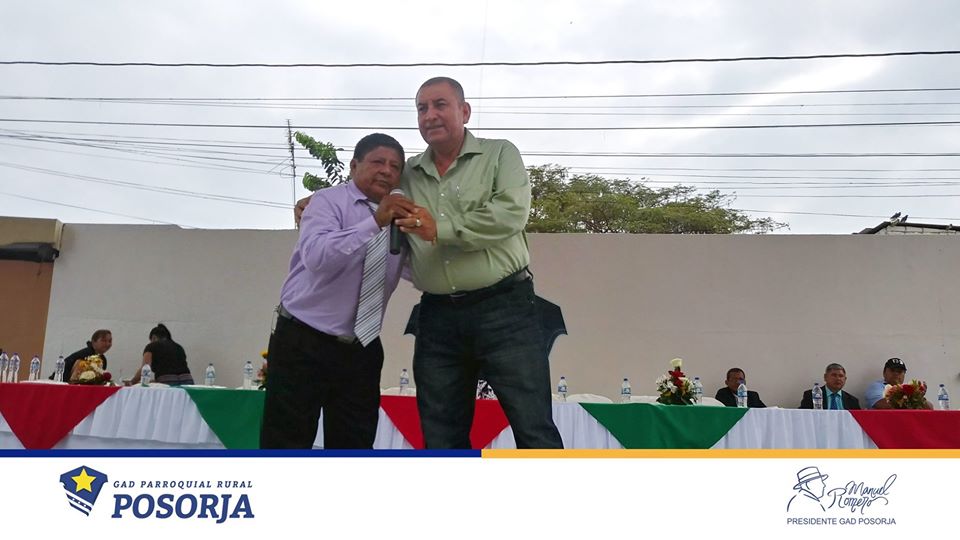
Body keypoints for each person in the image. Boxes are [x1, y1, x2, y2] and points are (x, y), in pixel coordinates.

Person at [294, 78, 563, 449]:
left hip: (505, 309)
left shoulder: (500, 154)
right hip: (438, 318)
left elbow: (511, 214)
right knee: (440, 434)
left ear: (464, 112)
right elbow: (369, 191)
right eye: (422, 108)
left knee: (533, 426)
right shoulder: (407, 174)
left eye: (440, 105)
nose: (430, 115)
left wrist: (442, 229)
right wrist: (319, 201)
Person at [262, 133, 417, 449]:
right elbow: (317, 258)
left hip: (362, 349)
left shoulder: (402, 218)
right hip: (303, 341)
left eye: (395, 166)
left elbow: (419, 273)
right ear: (354, 165)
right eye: (378, 162)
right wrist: (375, 222)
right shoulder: (326, 202)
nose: (387, 171)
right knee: (286, 443)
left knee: (354, 446)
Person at [129, 323, 193, 386]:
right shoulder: (178, 347)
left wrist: (132, 382)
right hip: (187, 380)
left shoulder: (151, 346)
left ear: (154, 337)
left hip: (167, 381)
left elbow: (145, 368)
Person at [864, 357, 933, 409]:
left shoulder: (907, 389)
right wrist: (912, 400)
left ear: (904, 375)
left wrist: (919, 397)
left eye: (899, 371)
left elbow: (930, 408)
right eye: (892, 370)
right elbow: (883, 405)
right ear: (884, 373)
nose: (896, 374)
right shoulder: (876, 387)